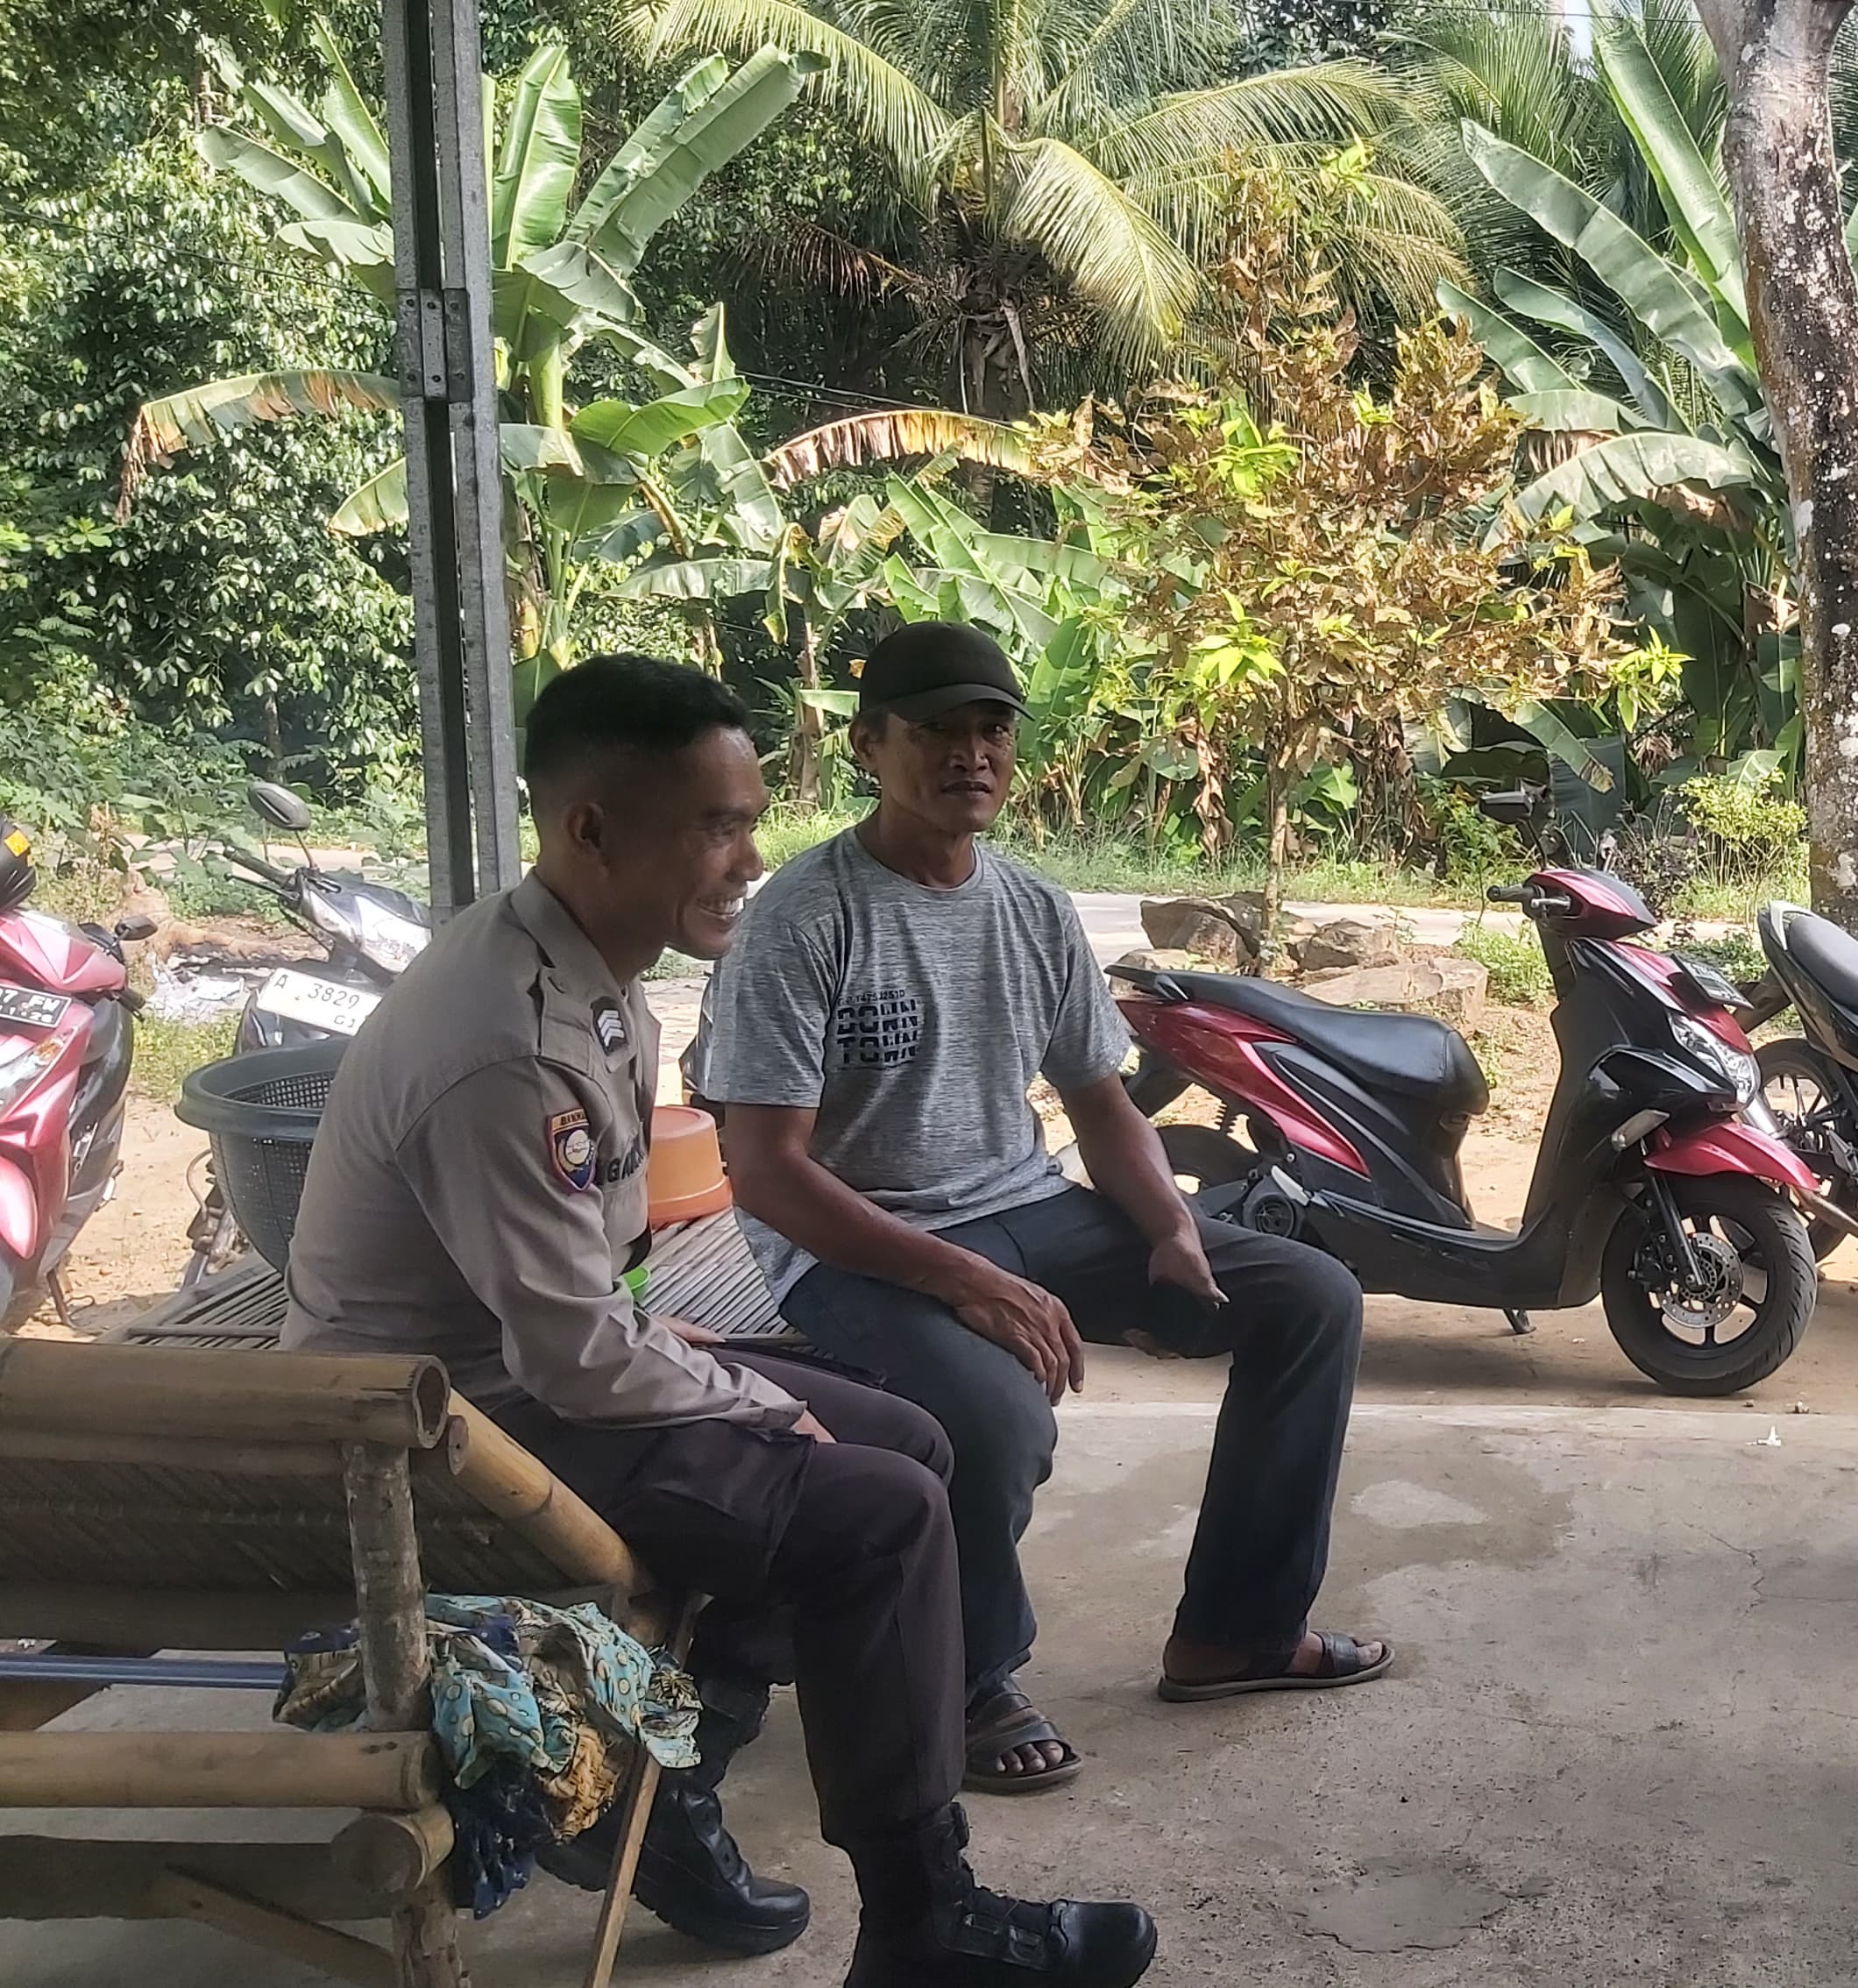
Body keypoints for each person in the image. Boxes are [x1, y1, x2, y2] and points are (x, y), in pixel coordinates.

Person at [282, 654, 1155, 1986]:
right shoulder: (508, 1040)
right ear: (592, 830)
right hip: (438, 1434)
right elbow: (573, 1358)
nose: (750, 859)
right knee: (878, 1513)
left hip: (515, 1374)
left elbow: (591, 1285)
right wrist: (758, 1400)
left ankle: (666, 1785)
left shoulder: (584, 966)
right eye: (717, 827)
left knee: (913, 1443)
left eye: (749, 821)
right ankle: (924, 1921)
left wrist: (705, 1364)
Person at [697, 621, 1386, 1800]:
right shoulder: (804, 918)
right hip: (854, 1245)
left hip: (1026, 1203)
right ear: (869, 746)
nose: (970, 754)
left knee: (1309, 1298)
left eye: (992, 730)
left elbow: (1100, 1101)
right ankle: (967, 1684)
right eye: (937, 730)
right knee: (997, 1418)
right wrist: (965, 1281)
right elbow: (764, 1172)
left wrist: (1170, 1229)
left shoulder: (1030, 905)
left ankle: (1237, 1633)